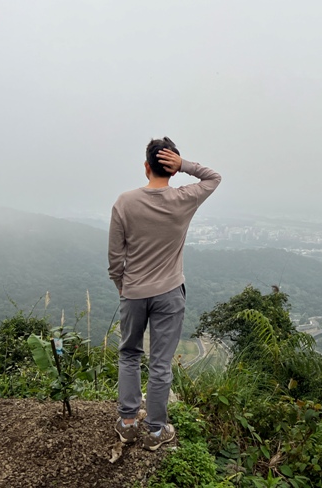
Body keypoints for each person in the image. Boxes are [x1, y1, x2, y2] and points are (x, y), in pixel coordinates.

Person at [108, 137, 221, 450]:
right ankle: (157, 431)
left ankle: (128, 423)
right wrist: (184, 165)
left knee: (129, 354)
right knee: (160, 363)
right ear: (171, 169)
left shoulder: (124, 202)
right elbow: (214, 177)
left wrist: (125, 288)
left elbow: (115, 260)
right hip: (170, 293)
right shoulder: (183, 198)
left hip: (133, 292)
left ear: (146, 167)